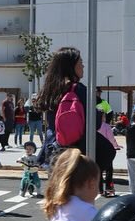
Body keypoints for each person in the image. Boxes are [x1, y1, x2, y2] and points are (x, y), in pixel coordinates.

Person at [34, 47, 117, 176]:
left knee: (59, 192)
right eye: (80, 63)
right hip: (78, 151)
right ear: (71, 66)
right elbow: (95, 122)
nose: (83, 66)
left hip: (54, 150)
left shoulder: (51, 90)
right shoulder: (79, 90)